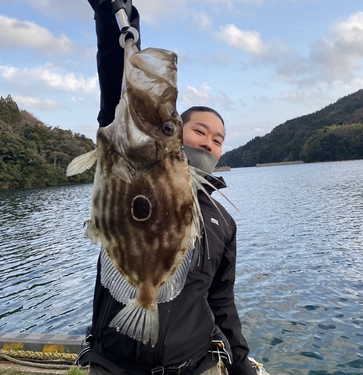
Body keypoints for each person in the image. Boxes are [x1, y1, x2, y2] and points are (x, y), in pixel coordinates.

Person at [77, 1, 258, 374]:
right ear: (176, 133)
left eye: (218, 139)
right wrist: (117, 18)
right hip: (112, 364)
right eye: (199, 131)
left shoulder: (222, 221)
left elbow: (222, 302)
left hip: (195, 365)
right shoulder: (133, 157)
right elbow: (124, 84)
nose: (209, 143)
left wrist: (240, 367)